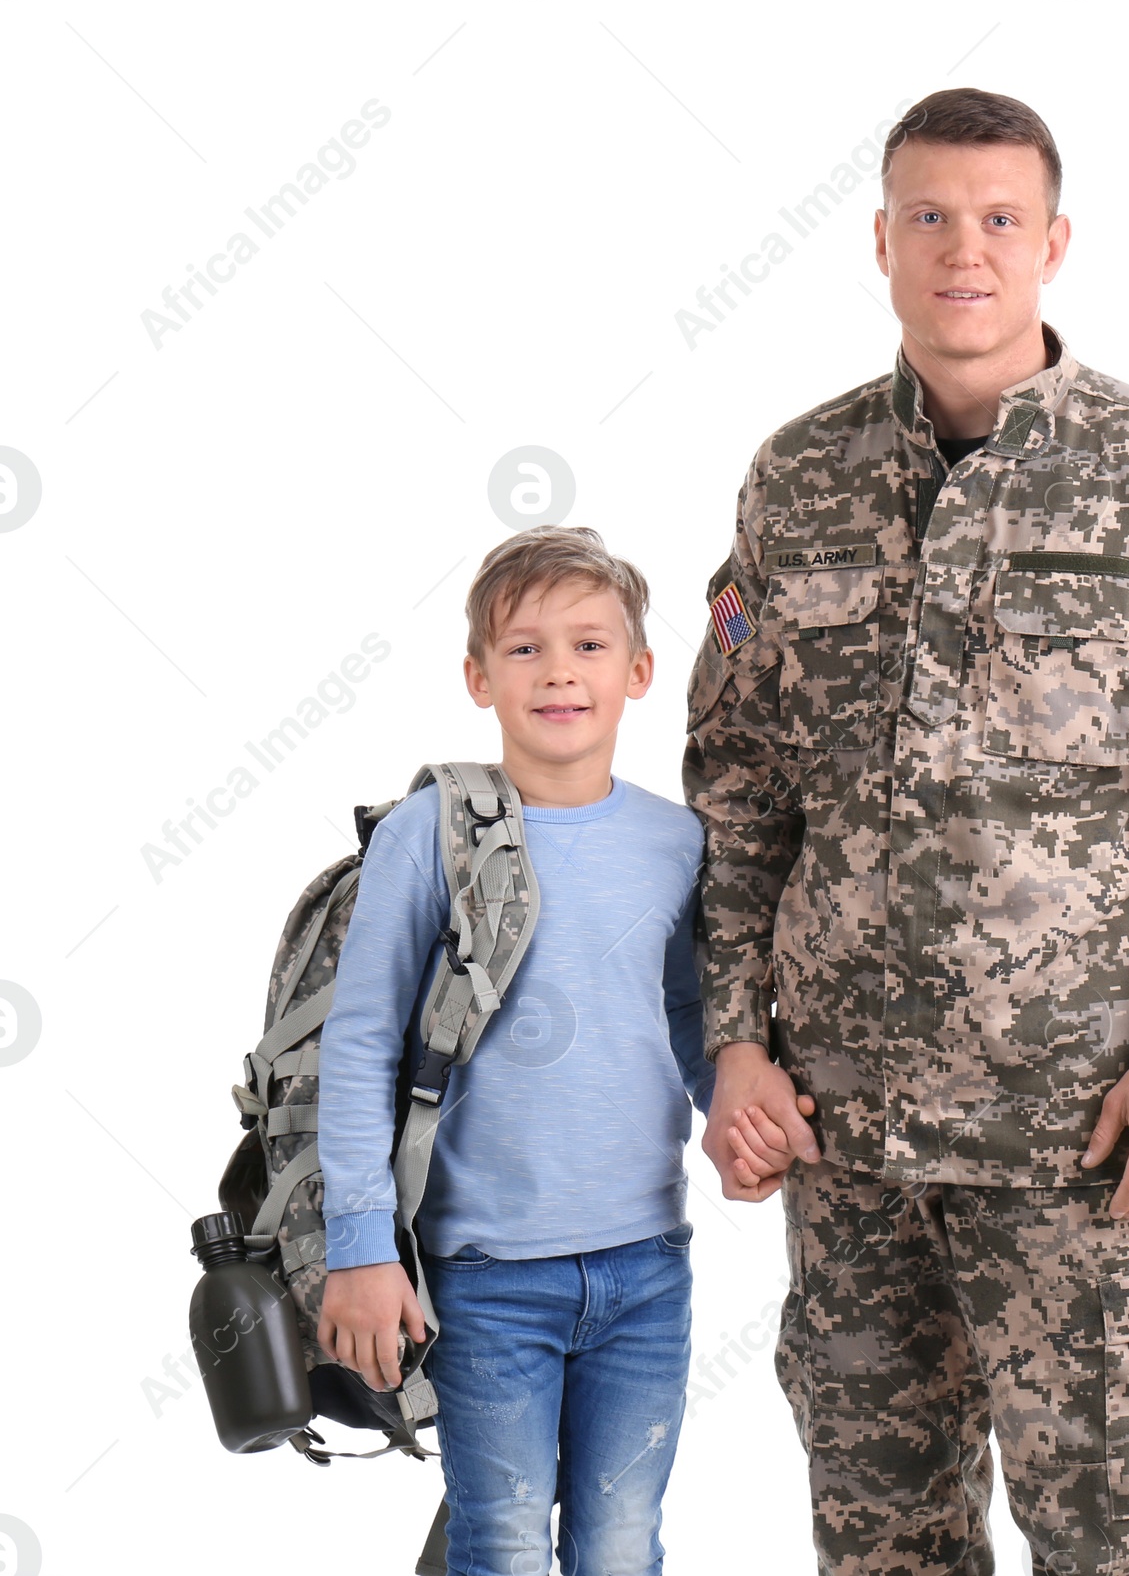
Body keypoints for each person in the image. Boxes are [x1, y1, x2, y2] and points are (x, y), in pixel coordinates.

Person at [683, 87, 1129, 1575]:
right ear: (883, 243)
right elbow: (738, 780)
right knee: (883, 1540)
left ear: (1054, 243)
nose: (967, 248)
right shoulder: (799, 480)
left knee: (1125, 1531)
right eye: (931, 217)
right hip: (850, 1140)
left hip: (1078, 1131)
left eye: (1001, 218)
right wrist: (731, 1037)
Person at [315, 526, 790, 1576]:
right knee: (505, 1546)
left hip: (646, 1266)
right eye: (524, 648)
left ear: (638, 671)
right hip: (484, 1271)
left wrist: (735, 1118)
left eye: (587, 643)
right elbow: (358, 1046)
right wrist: (359, 1245)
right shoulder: (430, 834)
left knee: (622, 1548)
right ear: (478, 676)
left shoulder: (679, 842)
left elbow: (683, 1015)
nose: (559, 670)